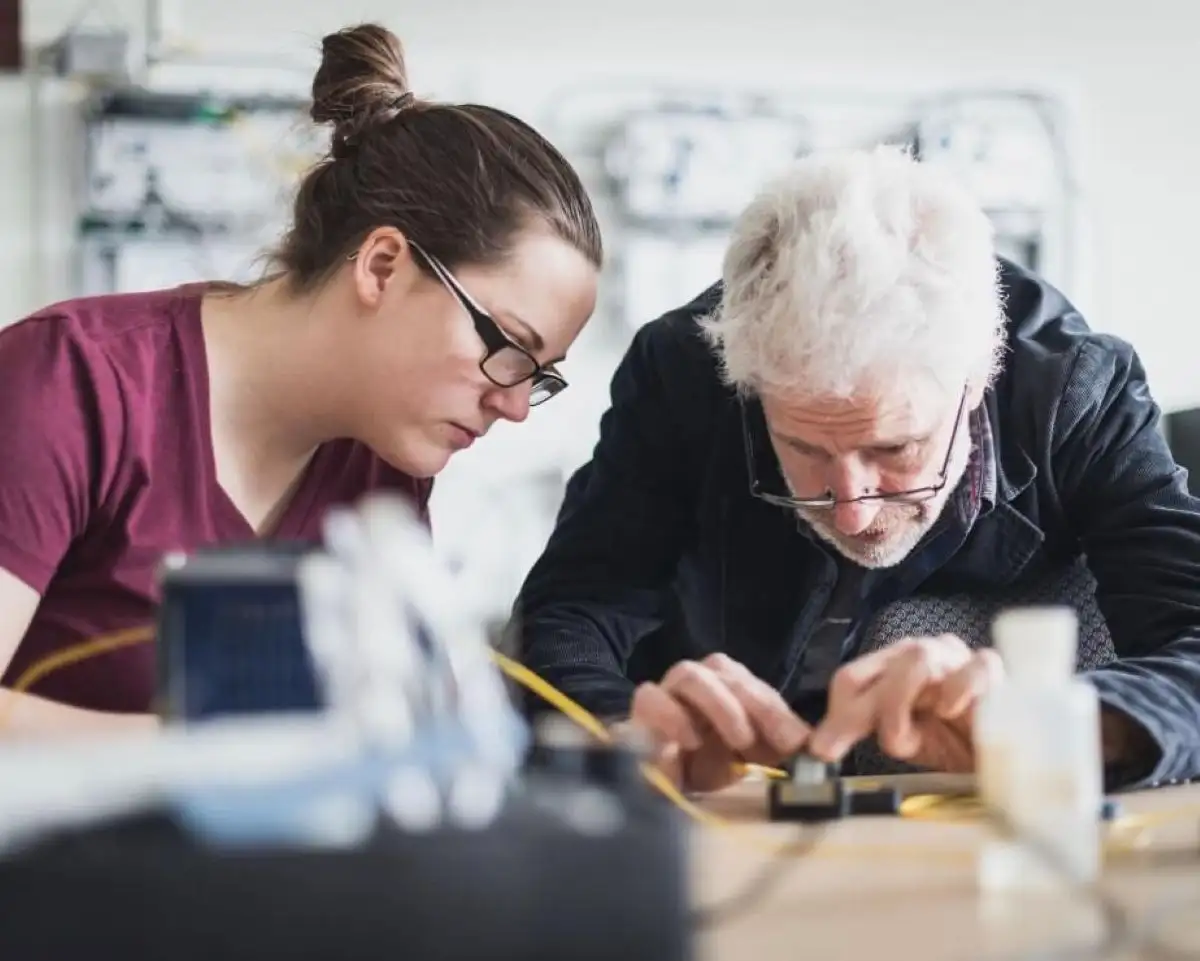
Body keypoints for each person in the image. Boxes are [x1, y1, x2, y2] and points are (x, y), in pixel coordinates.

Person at [512, 145, 1200, 793]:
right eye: (805, 450)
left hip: (985, 791)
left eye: (896, 449)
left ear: (979, 377)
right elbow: (575, 605)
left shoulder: (1077, 390)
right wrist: (619, 734)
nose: (851, 512)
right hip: (734, 795)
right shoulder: (682, 372)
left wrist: (1066, 724)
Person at [0, 23, 601, 736]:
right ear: (382, 265)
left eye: (538, 377)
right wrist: (221, 752)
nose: (513, 405)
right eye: (507, 346)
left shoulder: (383, 469)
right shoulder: (69, 382)